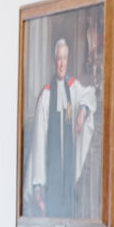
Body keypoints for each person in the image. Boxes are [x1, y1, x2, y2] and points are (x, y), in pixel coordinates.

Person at [24, 38, 97, 217]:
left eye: (64, 58)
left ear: (67, 60)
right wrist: (38, 186)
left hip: (68, 172)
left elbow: (90, 95)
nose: (61, 63)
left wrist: (82, 110)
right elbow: (39, 143)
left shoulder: (73, 88)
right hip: (51, 173)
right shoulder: (46, 96)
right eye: (58, 59)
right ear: (53, 61)